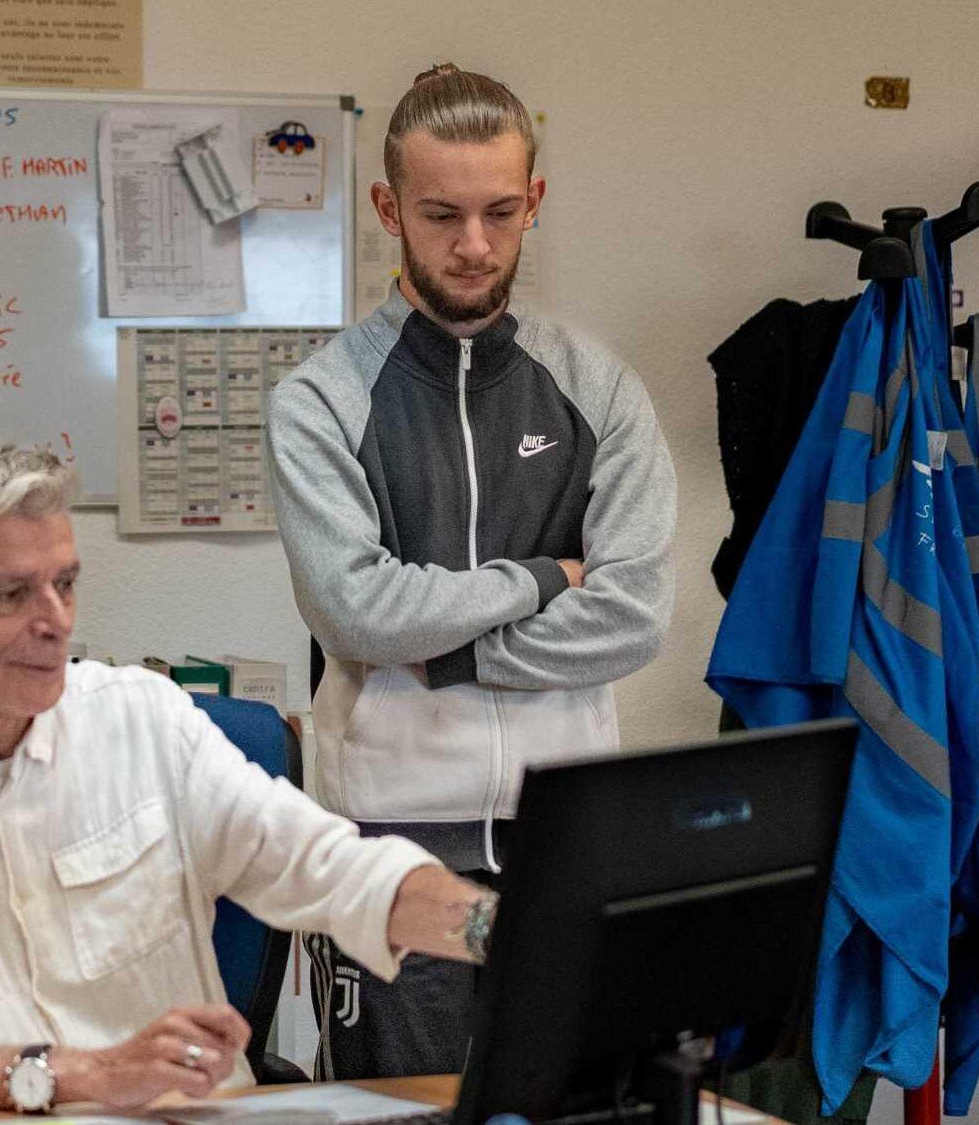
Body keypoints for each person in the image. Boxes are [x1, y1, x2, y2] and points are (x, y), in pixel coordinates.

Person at [0, 439, 498, 1111]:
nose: (55, 620)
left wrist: (504, 930)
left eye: (66, 584)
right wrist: (77, 1073)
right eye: (11, 595)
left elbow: (331, 869)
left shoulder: (144, 719)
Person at [267, 64, 677, 1080]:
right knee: (395, 1109)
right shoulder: (320, 402)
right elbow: (355, 611)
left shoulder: (598, 392)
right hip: (387, 837)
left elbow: (631, 617)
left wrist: (437, 652)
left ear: (533, 199)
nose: (473, 246)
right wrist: (542, 578)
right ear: (386, 208)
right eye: (440, 214)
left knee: (565, 1103)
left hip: (563, 831)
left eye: (500, 212)